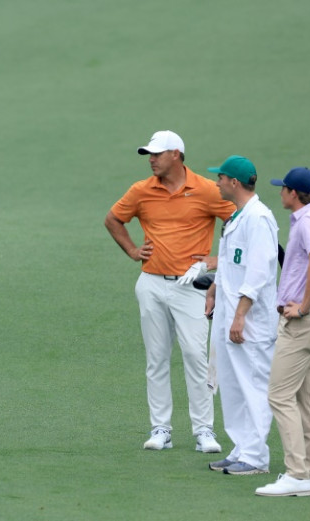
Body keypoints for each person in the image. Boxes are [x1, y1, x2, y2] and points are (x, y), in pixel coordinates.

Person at [104, 130, 236, 452]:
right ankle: (161, 428)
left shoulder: (206, 190)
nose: (151, 160)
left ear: (176, 154)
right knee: (157, 358)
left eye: (157, 154)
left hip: (191, 286)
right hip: (150, 284)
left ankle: (204, 430)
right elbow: (113, 220)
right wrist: (133, 251)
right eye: (149, 154)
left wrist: (216, 260)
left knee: (195, 355)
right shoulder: (141, 191)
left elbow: (239, 224)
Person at [255, 167, 310, 496]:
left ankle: (296, 472)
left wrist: (306, 305)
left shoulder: (307, 222)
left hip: (301, 321)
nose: (280, 193)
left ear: (294, 193)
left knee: (279, 395)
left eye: (283, 189)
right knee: (307, 399)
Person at [203, 156, 279, 475]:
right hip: (228, 313)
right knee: (233, 385)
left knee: (253, 385)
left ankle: (257, 457)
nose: (216, 183)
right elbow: (232, 265)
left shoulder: (259, 218)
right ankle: (241, 447)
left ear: (234, 182)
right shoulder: (237, 216)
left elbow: (259, 270)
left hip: (250, 321)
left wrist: (240, 315)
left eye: (220, 178)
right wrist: (214, 291)